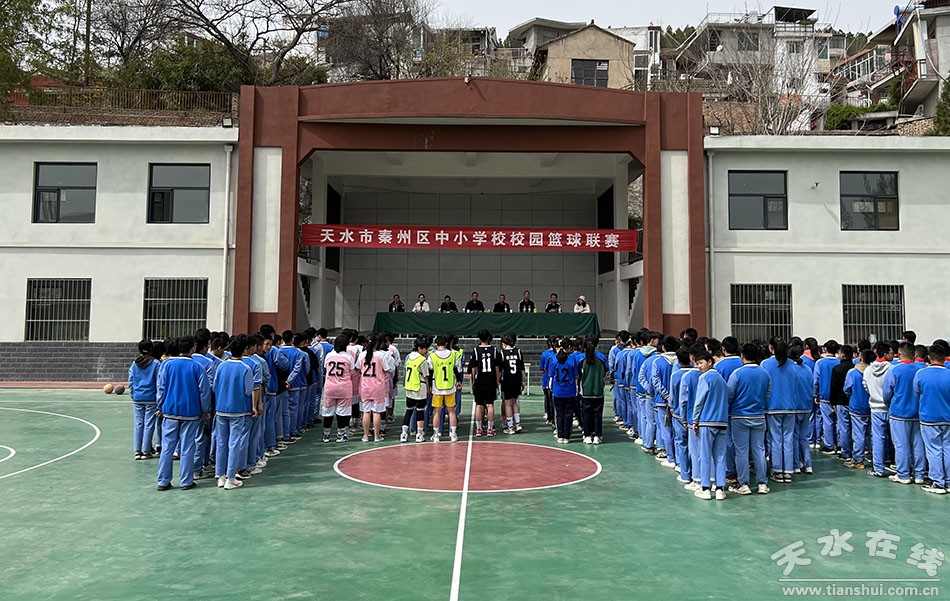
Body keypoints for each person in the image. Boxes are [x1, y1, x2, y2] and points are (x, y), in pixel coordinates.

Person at [156, 338, 211, 491]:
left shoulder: (167, 365)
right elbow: (204, 391)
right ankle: (186, 481)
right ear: (193, 348)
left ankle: (163, 481)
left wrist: (160, 406)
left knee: (167, 446)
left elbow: (161, 387)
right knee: (188, 447)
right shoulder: (197, 367)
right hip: (191, 412)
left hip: (170, 411)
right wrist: (205, 410)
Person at [726, 343, 771, 495]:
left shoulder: (737, 374)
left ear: (742, 356)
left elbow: (729, 394)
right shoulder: (765, 373)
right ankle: (762, 483)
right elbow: (768, 393)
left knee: (741, 451)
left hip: (739, 416)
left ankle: (743, 483)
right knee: (759, 450)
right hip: (759, 416)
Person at [213, 336, 255, 490]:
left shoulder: (221, 366)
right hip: (237, 410)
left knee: (221, 442)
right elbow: (248, 390)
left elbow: (215, 386)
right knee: (234, 443)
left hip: (221, 408)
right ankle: (231, 477)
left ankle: (220, 476)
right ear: (244, 350)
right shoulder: (246, 368)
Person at [883, 342, 927, 484]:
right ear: (914, 354)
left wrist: (890, 404)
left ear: (899, 354)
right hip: (918, 413)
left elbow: (887, 393)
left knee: (901, 445)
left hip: (899, 412)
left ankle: (903, 474)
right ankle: (919, 474)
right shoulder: (921, 369)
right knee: (918, 444)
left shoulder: (894, 370)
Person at [692, 349, 729, 500]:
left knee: (705, 455)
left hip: (707, 422)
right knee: (720, 456)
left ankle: (705, 488)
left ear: (710, 362)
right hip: (722, 422)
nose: (699, 366)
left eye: (701, 363)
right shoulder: (721, 379)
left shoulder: (704, 378)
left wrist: (695, 421)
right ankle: (720, 488)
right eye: (697, 363)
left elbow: (699, 402)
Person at [914, 344, 950, 494]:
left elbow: (916, 393)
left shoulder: (921, 374)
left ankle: (938, 482)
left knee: (934, 450)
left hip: (929, 417)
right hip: (947, 417)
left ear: (929, 357)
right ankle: (948, 481)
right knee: (948, 448)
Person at [762, 339, 799, 484]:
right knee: (788, 439)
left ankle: (777, 470)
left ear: (771, 348)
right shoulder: (793, 364)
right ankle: (788, 471)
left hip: (772, 406)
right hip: (790, 406)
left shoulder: (766, 364)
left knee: (775, 439)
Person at [863, 341, 894, 478]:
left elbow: (866, 386)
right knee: (896, 439)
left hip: (875, 408)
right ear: (886, 354)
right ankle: (898, 465)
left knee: (877, 439)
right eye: (891, 352)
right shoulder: (892, 369)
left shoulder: (868, 370)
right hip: (890, 407)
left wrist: (874, 395)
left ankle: (878, 468)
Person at [357, 334, 395, 443]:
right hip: (377, 387)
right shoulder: (381, 355)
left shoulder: (362, 355)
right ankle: (376, 436)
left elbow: (358, 368)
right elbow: (387, 369)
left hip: (365, 387)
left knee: (366, 412)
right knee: (377, 412)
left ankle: (365, 435)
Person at [129, 339, 160, 460]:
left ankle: (137, 450)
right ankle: (146, 450)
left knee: (138, 423)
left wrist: (133, 394)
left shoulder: (134, 363)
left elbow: (131, 380)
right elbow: (159, 382)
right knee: (149, 424)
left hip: (138, 397)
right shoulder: (156, 364)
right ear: (151, 349)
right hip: (151, 398)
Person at [323, 334, 357, 444]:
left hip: (329, 387)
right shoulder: (348, 357)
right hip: (344, 388)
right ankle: (340, 435)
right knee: (342, 413)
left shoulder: (329, 355)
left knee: (328, 412)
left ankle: (326, 435)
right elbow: (352, 372)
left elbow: (325, 368)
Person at [429, 335, 462, 442]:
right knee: (451, 411)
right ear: (446, 343)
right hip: (450, 386)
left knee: (437, 411)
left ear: (436, 344)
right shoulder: (453, 354)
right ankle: (453, 434)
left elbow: (430, 371)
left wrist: (429, 385)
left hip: (437, 387)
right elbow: (456, 369)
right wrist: (459, 381)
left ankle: (436, 435)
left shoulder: (432, 356)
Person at [844, 349, 872, 470]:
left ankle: (858, 459)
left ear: (861, 358)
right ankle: (875, 458)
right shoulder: (873, 371)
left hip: (857, 407)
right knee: (873, 434)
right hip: (872, 406)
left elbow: (847, 389)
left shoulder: (853, 372)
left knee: (858, 434)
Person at [469, 329, 501, 438]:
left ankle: (479, 429)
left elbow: (473, 368)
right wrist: (496, 381)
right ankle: (490, 429)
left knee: (479, 405)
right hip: (490, 380)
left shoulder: (476, 350)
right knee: (490, 405)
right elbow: (497, 368)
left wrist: (473, 381)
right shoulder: (494, 350)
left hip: (480, 380)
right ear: (489, 337)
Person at [401, 336, 431, 443]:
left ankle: (404, 434)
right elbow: (426, 376)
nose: (426, 351)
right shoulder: (422, 360)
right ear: (420, 348)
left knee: (408, 411)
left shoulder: (409, 357)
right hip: (419, 388)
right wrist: (428, 388)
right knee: (420, 412)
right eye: (425, 349)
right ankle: (419, 434)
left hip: (409, 387)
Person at [578, 338, 608, 445]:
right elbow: (605, 373)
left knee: (586, 414)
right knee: (597, 414)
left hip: (586, 392)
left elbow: (579, 375)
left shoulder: (582, 361)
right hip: (598, 391)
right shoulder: (601, 359)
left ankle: (587, 435)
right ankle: (597, 435)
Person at [499, 333, 526, 434]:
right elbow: (522, 368)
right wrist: (523, 381)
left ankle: (510, 426)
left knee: (508, 404)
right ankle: (518, 424)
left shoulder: (502, 353)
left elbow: (500, 370)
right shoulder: (518, 351)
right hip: (516, 380)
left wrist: (497, 381)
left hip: (507, 381)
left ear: (504, 343)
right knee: (515, 402)